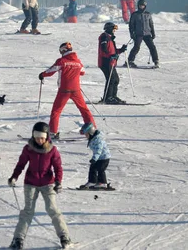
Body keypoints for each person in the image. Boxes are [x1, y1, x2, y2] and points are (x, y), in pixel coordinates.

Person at [7, 122, 71, 250]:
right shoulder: (28, 149)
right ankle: (18, 239)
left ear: (47, 137)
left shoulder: (52, 150)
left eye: (42, 137)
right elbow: (21, 164)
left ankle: (64, 236)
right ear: (33, 136)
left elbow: (58, 167)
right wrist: (14, 176)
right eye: (37, 137)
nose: (39, 140)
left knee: (52, 209)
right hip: (30, 183)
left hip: (48, 184)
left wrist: (58, 182)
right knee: (28, 212)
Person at [39, 42, 96, 140]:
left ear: (63, 50)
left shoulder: (62, 61)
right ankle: (92, 130)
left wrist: (42, 75)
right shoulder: (78, 61)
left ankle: (53, 132)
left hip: (64, 90)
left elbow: (51, 71)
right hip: (76, 90)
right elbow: (82, 72)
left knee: (56, 111)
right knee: (84, 109)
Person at [98, 22, 128, 104]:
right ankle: (108, 97)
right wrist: (110, 56)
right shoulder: (104, 37)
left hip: (111, 62)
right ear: (109, 29)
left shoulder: (110, 39)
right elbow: (103, 50)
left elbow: (113, 51)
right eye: (113, 29)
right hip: (105, 62)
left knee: (116, 80)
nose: (114, 31)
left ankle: (112, 96)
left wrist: (121, 50)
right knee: (111, 79)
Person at [126, 0, 159, 68]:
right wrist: (132, 34)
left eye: (143, 6)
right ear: (138, 6)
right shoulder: (135, 14)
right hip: (138, 34)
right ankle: (130, 61)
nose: (142, 7)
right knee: (136, 47)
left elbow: (151, 24)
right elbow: (131, 25)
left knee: (152, 47)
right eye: (141, 6)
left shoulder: (148, 14)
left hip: (147, 34)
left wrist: (153, 33)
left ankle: (156, 61)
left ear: (145, 6)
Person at [79, 123, 111, 189]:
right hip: (99, 158)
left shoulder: (98, 140)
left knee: (100, 169)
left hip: (104, 158)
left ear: (90, 133)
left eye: (86, 134)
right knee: (92, 167)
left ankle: (102, 183)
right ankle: (92, 181)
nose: (85, 136)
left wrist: (94, 158)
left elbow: (98, 151)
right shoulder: (93, 138)